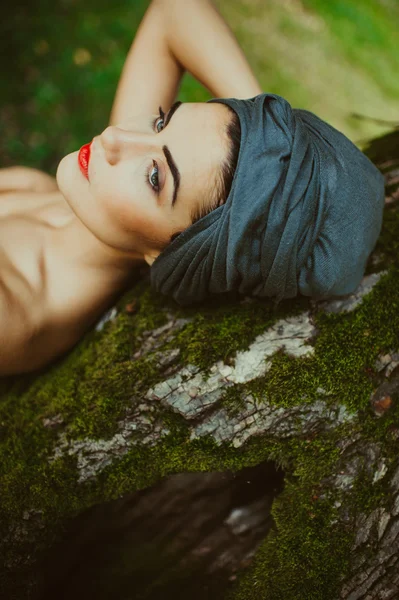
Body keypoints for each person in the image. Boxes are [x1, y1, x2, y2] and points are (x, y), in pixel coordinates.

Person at [0, 0, 385, 376]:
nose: (116, 137)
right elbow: (175, 10)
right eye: (160, 122)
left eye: (154, 176)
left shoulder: (18, 315)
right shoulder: (105, 198)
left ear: (174, 252)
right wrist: (259, 128)